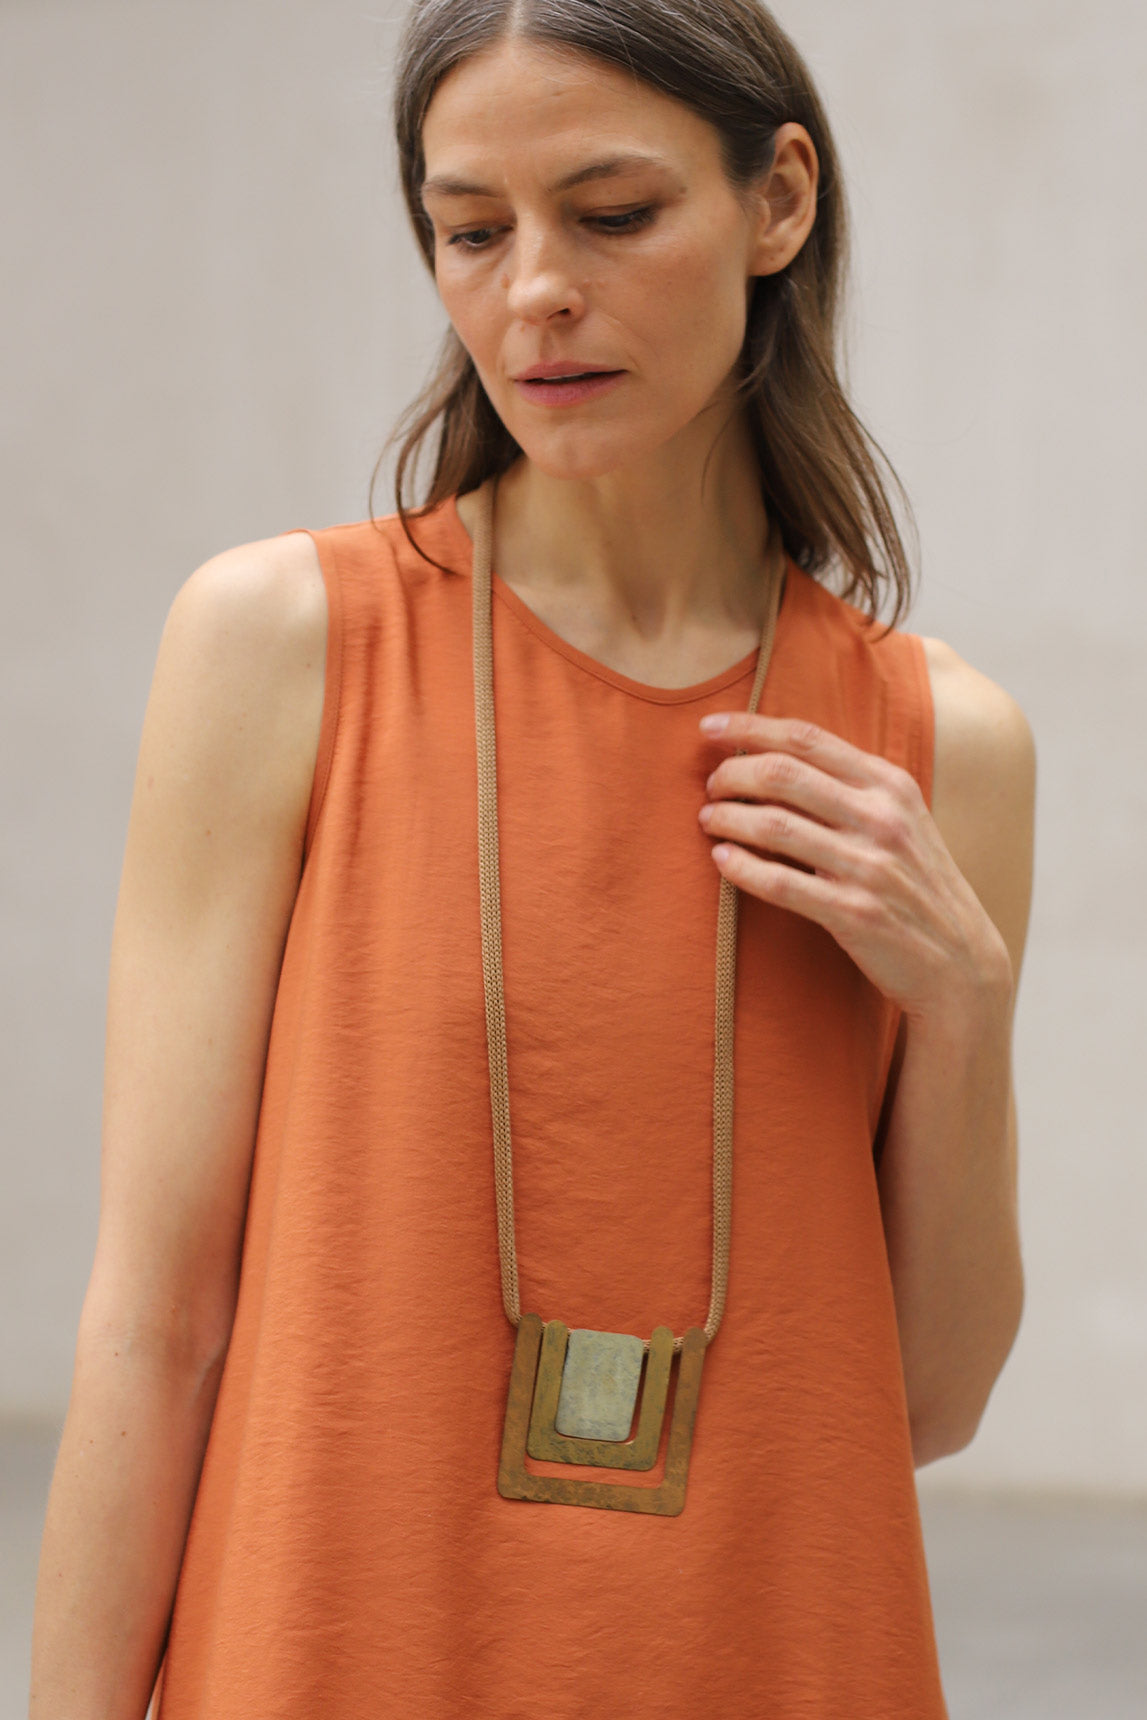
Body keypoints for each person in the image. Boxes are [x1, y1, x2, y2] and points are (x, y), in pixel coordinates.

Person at [29, 2, 1035, 1715]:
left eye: (612, 214)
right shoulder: (285, 646)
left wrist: (962, 1001)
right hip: (338, 1651)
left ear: (780, 200)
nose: (536, 292)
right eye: (472, 232)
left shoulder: (938, 745)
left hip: (766, 1657)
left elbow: (926, 1400)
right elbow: (156, 1321)